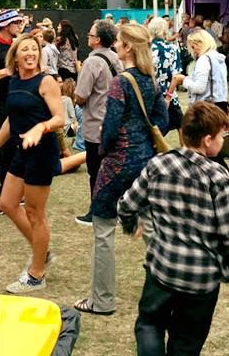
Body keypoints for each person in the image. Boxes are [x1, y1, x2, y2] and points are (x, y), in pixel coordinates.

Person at [119, 101, 229, 356]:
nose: (223, 139)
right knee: (186, 344)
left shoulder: (158, 165)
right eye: (221, 135)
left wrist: (132, 224)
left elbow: (127, 205)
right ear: (207, 140)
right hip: (200, 281)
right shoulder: (217, 177)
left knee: (149, 325)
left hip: (162, 270)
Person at [74, 24, 168, 316]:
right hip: (145, 162)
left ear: (127, 47)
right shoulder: (150, 80)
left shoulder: (121, 82)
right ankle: (170, 291)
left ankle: (102, 301)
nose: (115, 44)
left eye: (118, 41)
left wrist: (103, 148)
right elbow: (163, 119)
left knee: (103, 230)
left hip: (117, 164)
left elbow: (111, 127)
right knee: (152, 228)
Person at [0, 33, 67, 294]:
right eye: (24, 49)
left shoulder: (46, 81)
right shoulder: (15, 80)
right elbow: (12, 119)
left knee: (35, 213)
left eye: (34, 49)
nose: (30, 53)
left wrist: (41, 126)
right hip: (20, 149)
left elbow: (60, 117)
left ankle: (37, 274)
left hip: (41, 152)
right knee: (7, 203)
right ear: (15, 55)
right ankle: (42, 249)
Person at [73, 19, 122, 225]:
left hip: (95, 123)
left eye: (91, 35)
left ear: (97, 40)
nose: (88, 37)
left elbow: (80, 95)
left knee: (95, 169)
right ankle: (114, 206)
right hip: (114, 120)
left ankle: (96, 211)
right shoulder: (116, 59)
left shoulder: (92, 62)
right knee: (112, 168)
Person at [0, 9, 24, 198]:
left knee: (12, 148)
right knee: (0, 148)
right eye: (17, 23)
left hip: (12, 104)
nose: (20, 26)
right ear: (7, 25)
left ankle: (8, 192)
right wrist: (7, 71)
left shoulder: (12, 47)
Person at [170, 29, 228, 105]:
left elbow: (199, 88)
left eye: (193, 47)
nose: (193, 51)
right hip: (221, 103)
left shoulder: (204, 59)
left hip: (205, 107)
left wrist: (184, 80)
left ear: (201, 43)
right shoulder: (219, 59)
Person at [149, 17, 183, 136]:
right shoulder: (173, 48)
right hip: (170, 93)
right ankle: (185, 152)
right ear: (164, 31)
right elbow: (176, 76)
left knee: (153, 128)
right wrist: (168, 97)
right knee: (180, 124)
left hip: (151, 94)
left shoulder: (146, 49)